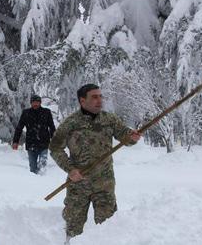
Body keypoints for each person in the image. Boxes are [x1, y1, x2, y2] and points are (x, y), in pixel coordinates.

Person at [48, 84, 141, 244]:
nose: (99, 100)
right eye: (94, 97)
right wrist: (70, 170)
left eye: (100, 96)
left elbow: (124, 135)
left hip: (104, 184)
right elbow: (55, 148)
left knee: (107, 228)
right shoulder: (71, 123)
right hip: (78, 184)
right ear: (82, 101)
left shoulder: (109, 119)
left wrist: (131, 137)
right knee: (74, 228)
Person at [12, 94, 56, 174]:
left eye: (37, 102)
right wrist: (15, 141)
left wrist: (55, 141)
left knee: (42, 167)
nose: (35, 104)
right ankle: (34, 184)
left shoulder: (46, 112)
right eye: (33, 102)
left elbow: (52, 127)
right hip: (31, 144)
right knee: (33, 169)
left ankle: (43, 182)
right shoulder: (26, 113)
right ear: (31, 103)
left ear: (40, 103)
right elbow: (19, 128)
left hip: (44, 143)